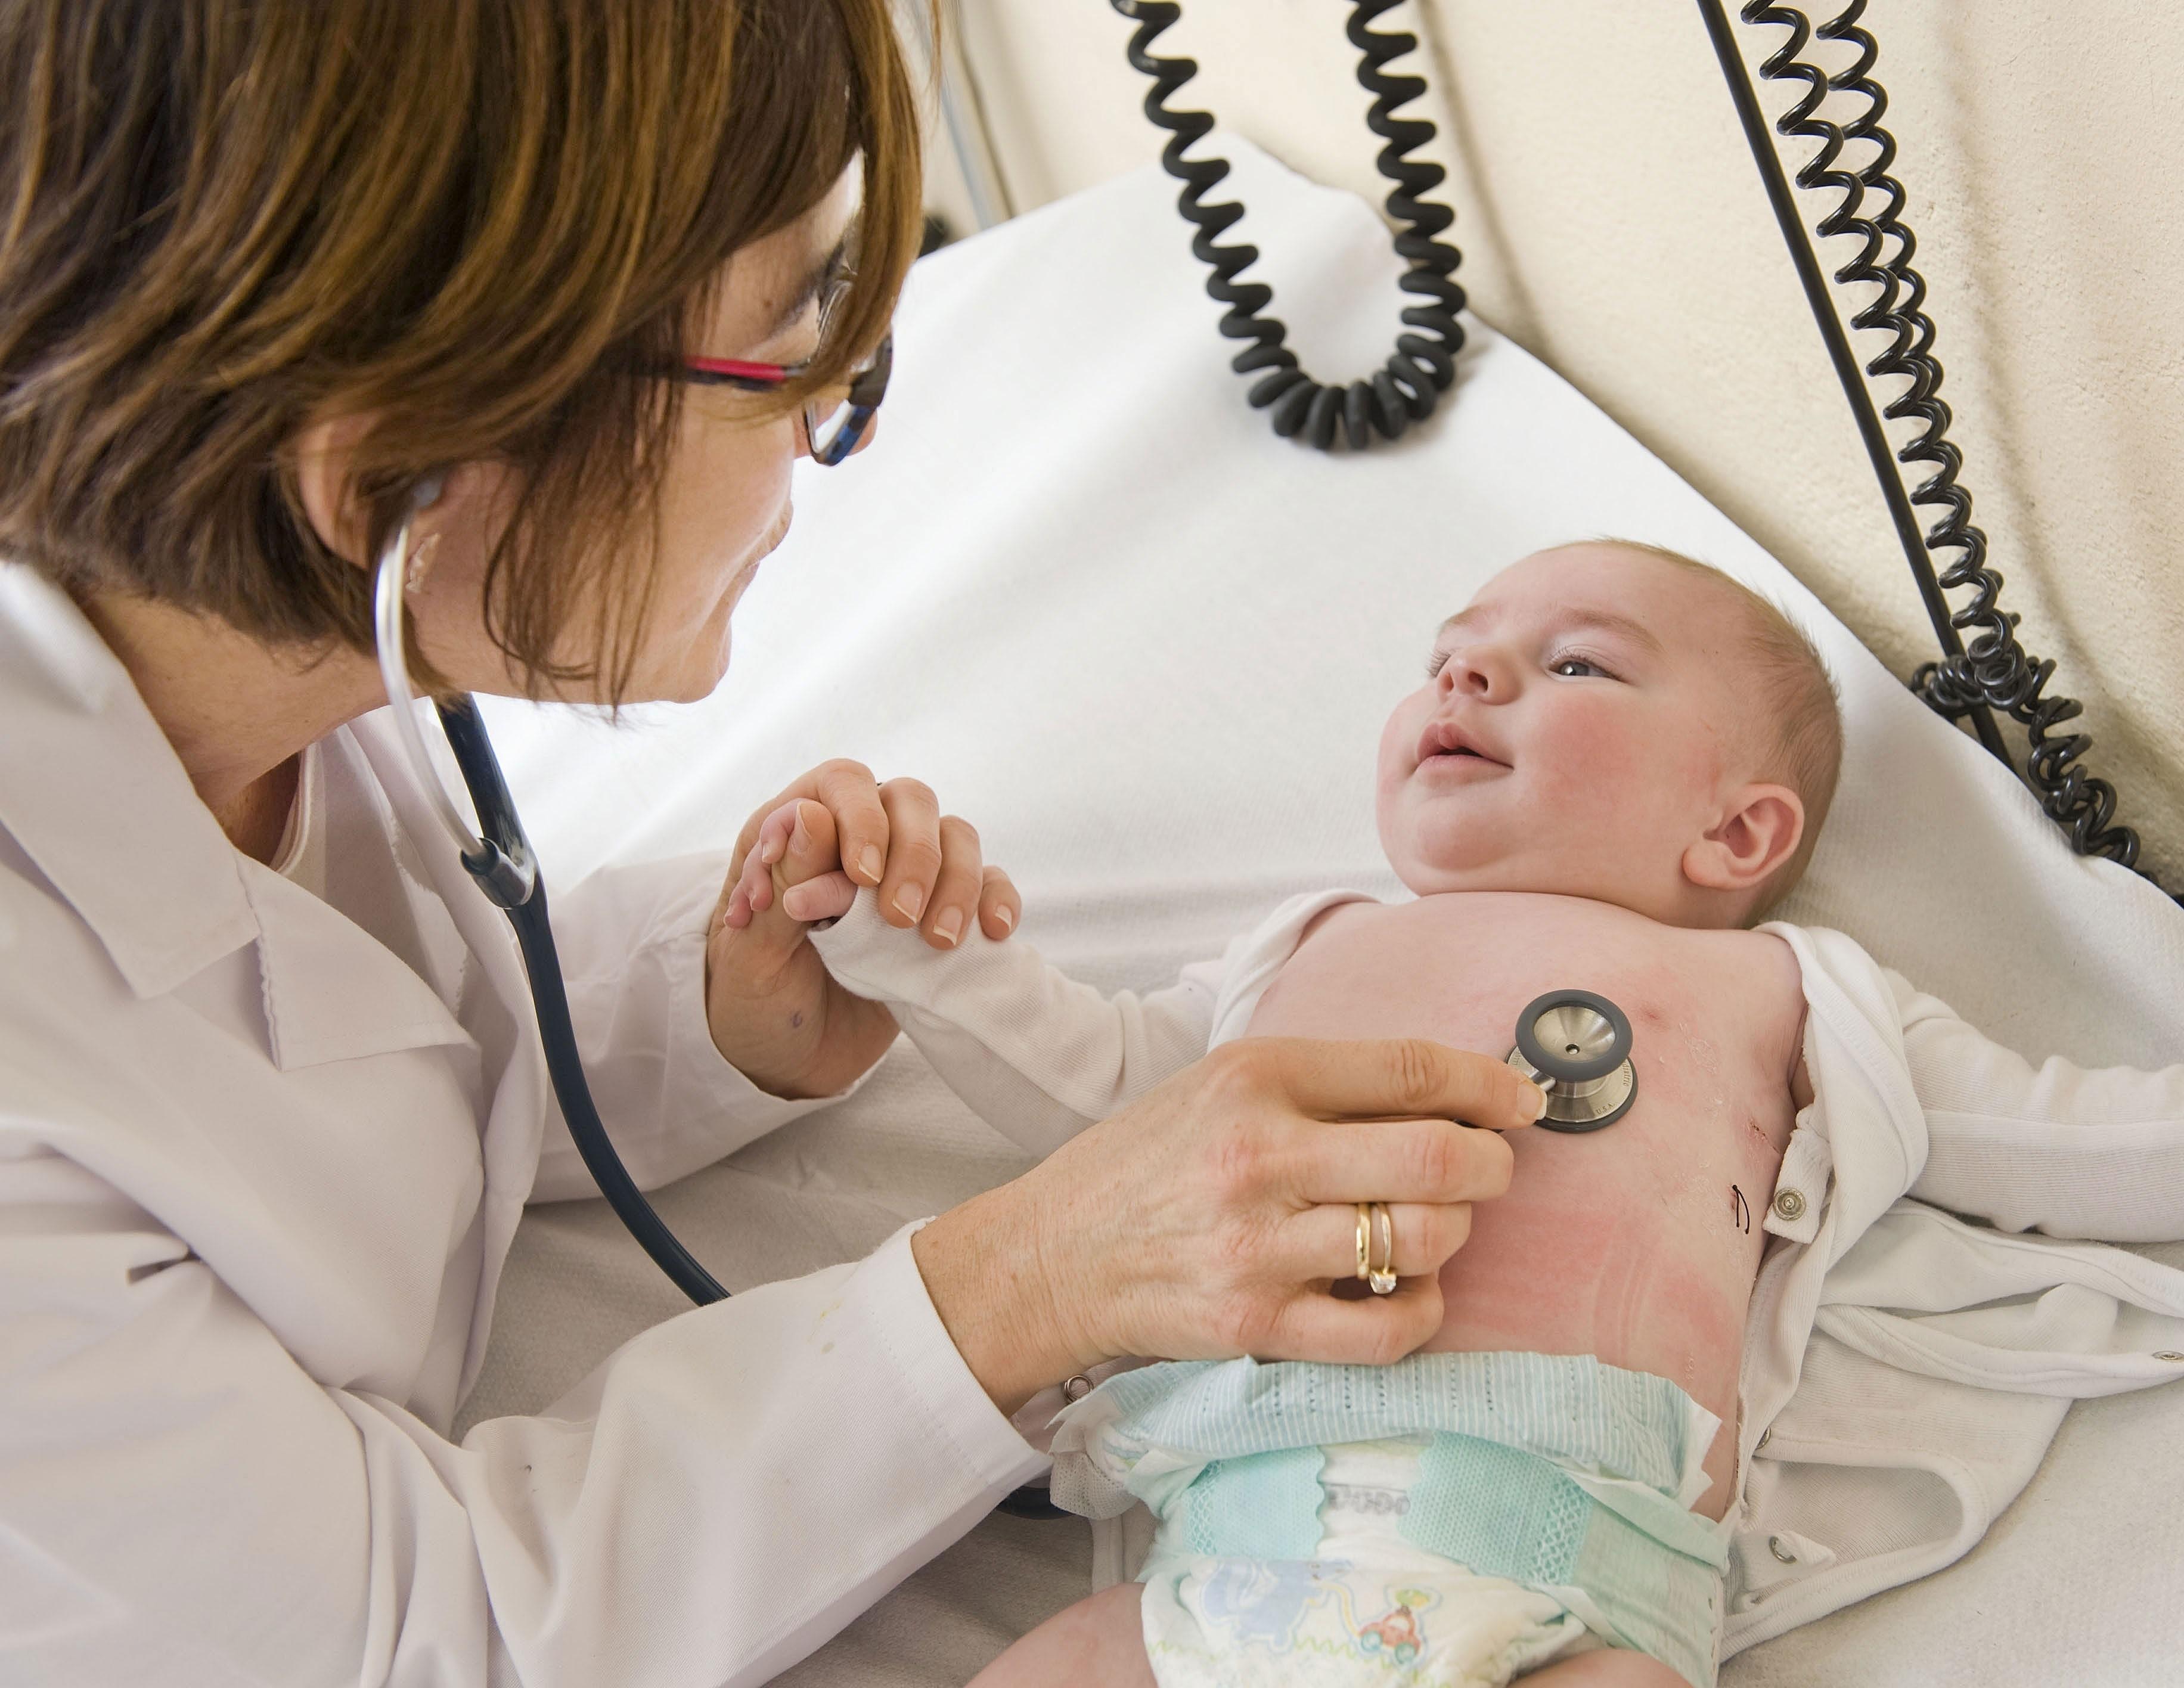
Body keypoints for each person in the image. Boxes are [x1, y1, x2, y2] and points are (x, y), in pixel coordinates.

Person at [0, 5, 1547, 1683]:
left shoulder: (225, 653)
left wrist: (709, 1014)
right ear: (395, 481)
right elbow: (415, 1638)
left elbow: (353, 1045)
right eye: (789, 341)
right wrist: (1025, 1282)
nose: (827, 431)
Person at [768, 541, 2184, 1686]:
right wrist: (911, 952)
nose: (1469, 681)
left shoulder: (1782, 998)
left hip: (1568, 1579)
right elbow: (1093, 1100)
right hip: (1224, 1561)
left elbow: (2066, 1138)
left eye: (1574, 667)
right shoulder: (1302, 953)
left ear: (1737, 836)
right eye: (1452, 655)